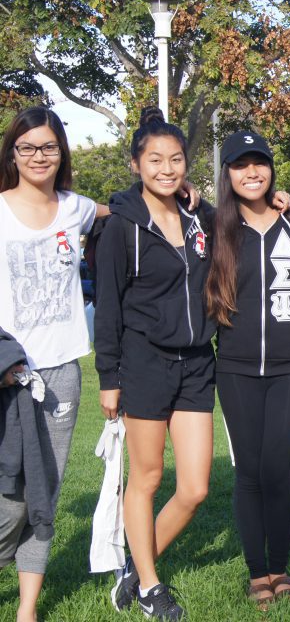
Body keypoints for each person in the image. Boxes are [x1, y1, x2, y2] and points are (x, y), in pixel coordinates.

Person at [95, 107, 216, 621]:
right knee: (146, 478)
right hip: (144, 363)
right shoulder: (122, 226)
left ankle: (132, 567)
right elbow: (108, 305)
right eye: (155, 160)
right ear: (136, 163)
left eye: (176, 160)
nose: (167, 169)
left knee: (194, 488)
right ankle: (149, 586)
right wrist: (108, 378)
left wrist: (204, 201)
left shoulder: (198, 217)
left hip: (196, 363)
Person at [204, 131, 290, 608]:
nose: (252, 172)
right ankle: (258, 574)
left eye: (260, 164)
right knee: (250, 472)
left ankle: (281, 568)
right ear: (228, 173)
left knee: (279, 469)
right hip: (233, 368)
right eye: (240, 165)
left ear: (272, 170)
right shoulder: (216, 227)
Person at [0, 107, 102, 622]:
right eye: (28, 147)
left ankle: (27, 610)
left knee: (44, 495)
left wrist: (185, 194)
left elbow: (123, 211)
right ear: (12, 153)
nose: (38, 156)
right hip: (5, 374)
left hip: (61, 373)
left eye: (49, 147)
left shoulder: (76, 208)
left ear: (61, 153)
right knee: (7, 497)